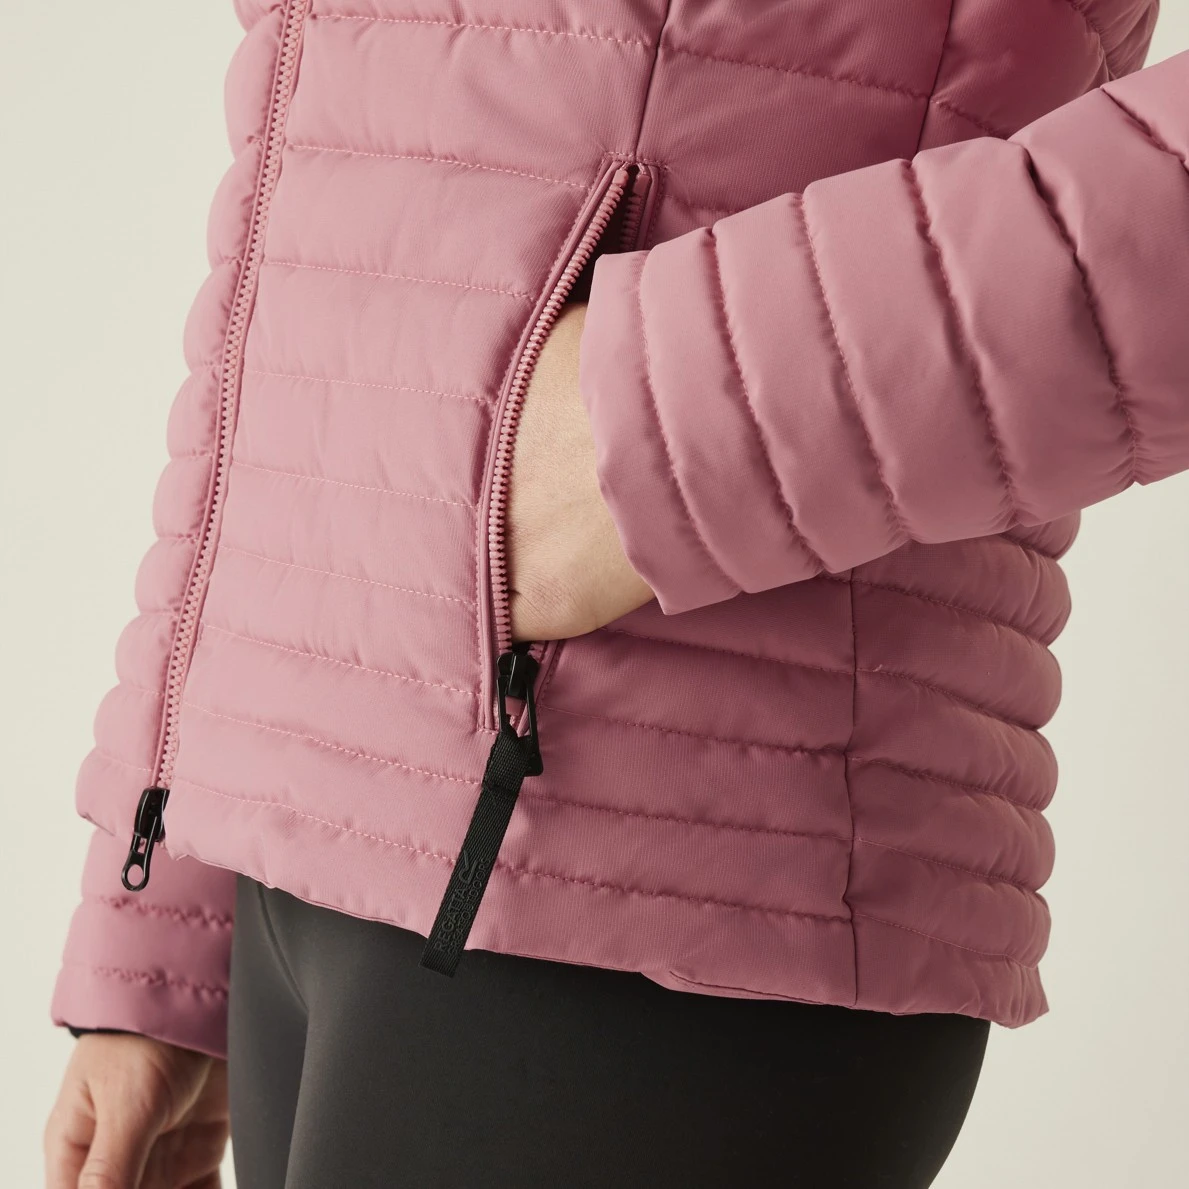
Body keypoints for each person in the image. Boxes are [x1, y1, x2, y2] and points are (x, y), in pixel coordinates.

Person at [43, 1, 1188, 1186]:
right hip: (300, 851)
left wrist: (669, 422)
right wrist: (175, 904)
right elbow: (311, 163)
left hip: (654, 883)